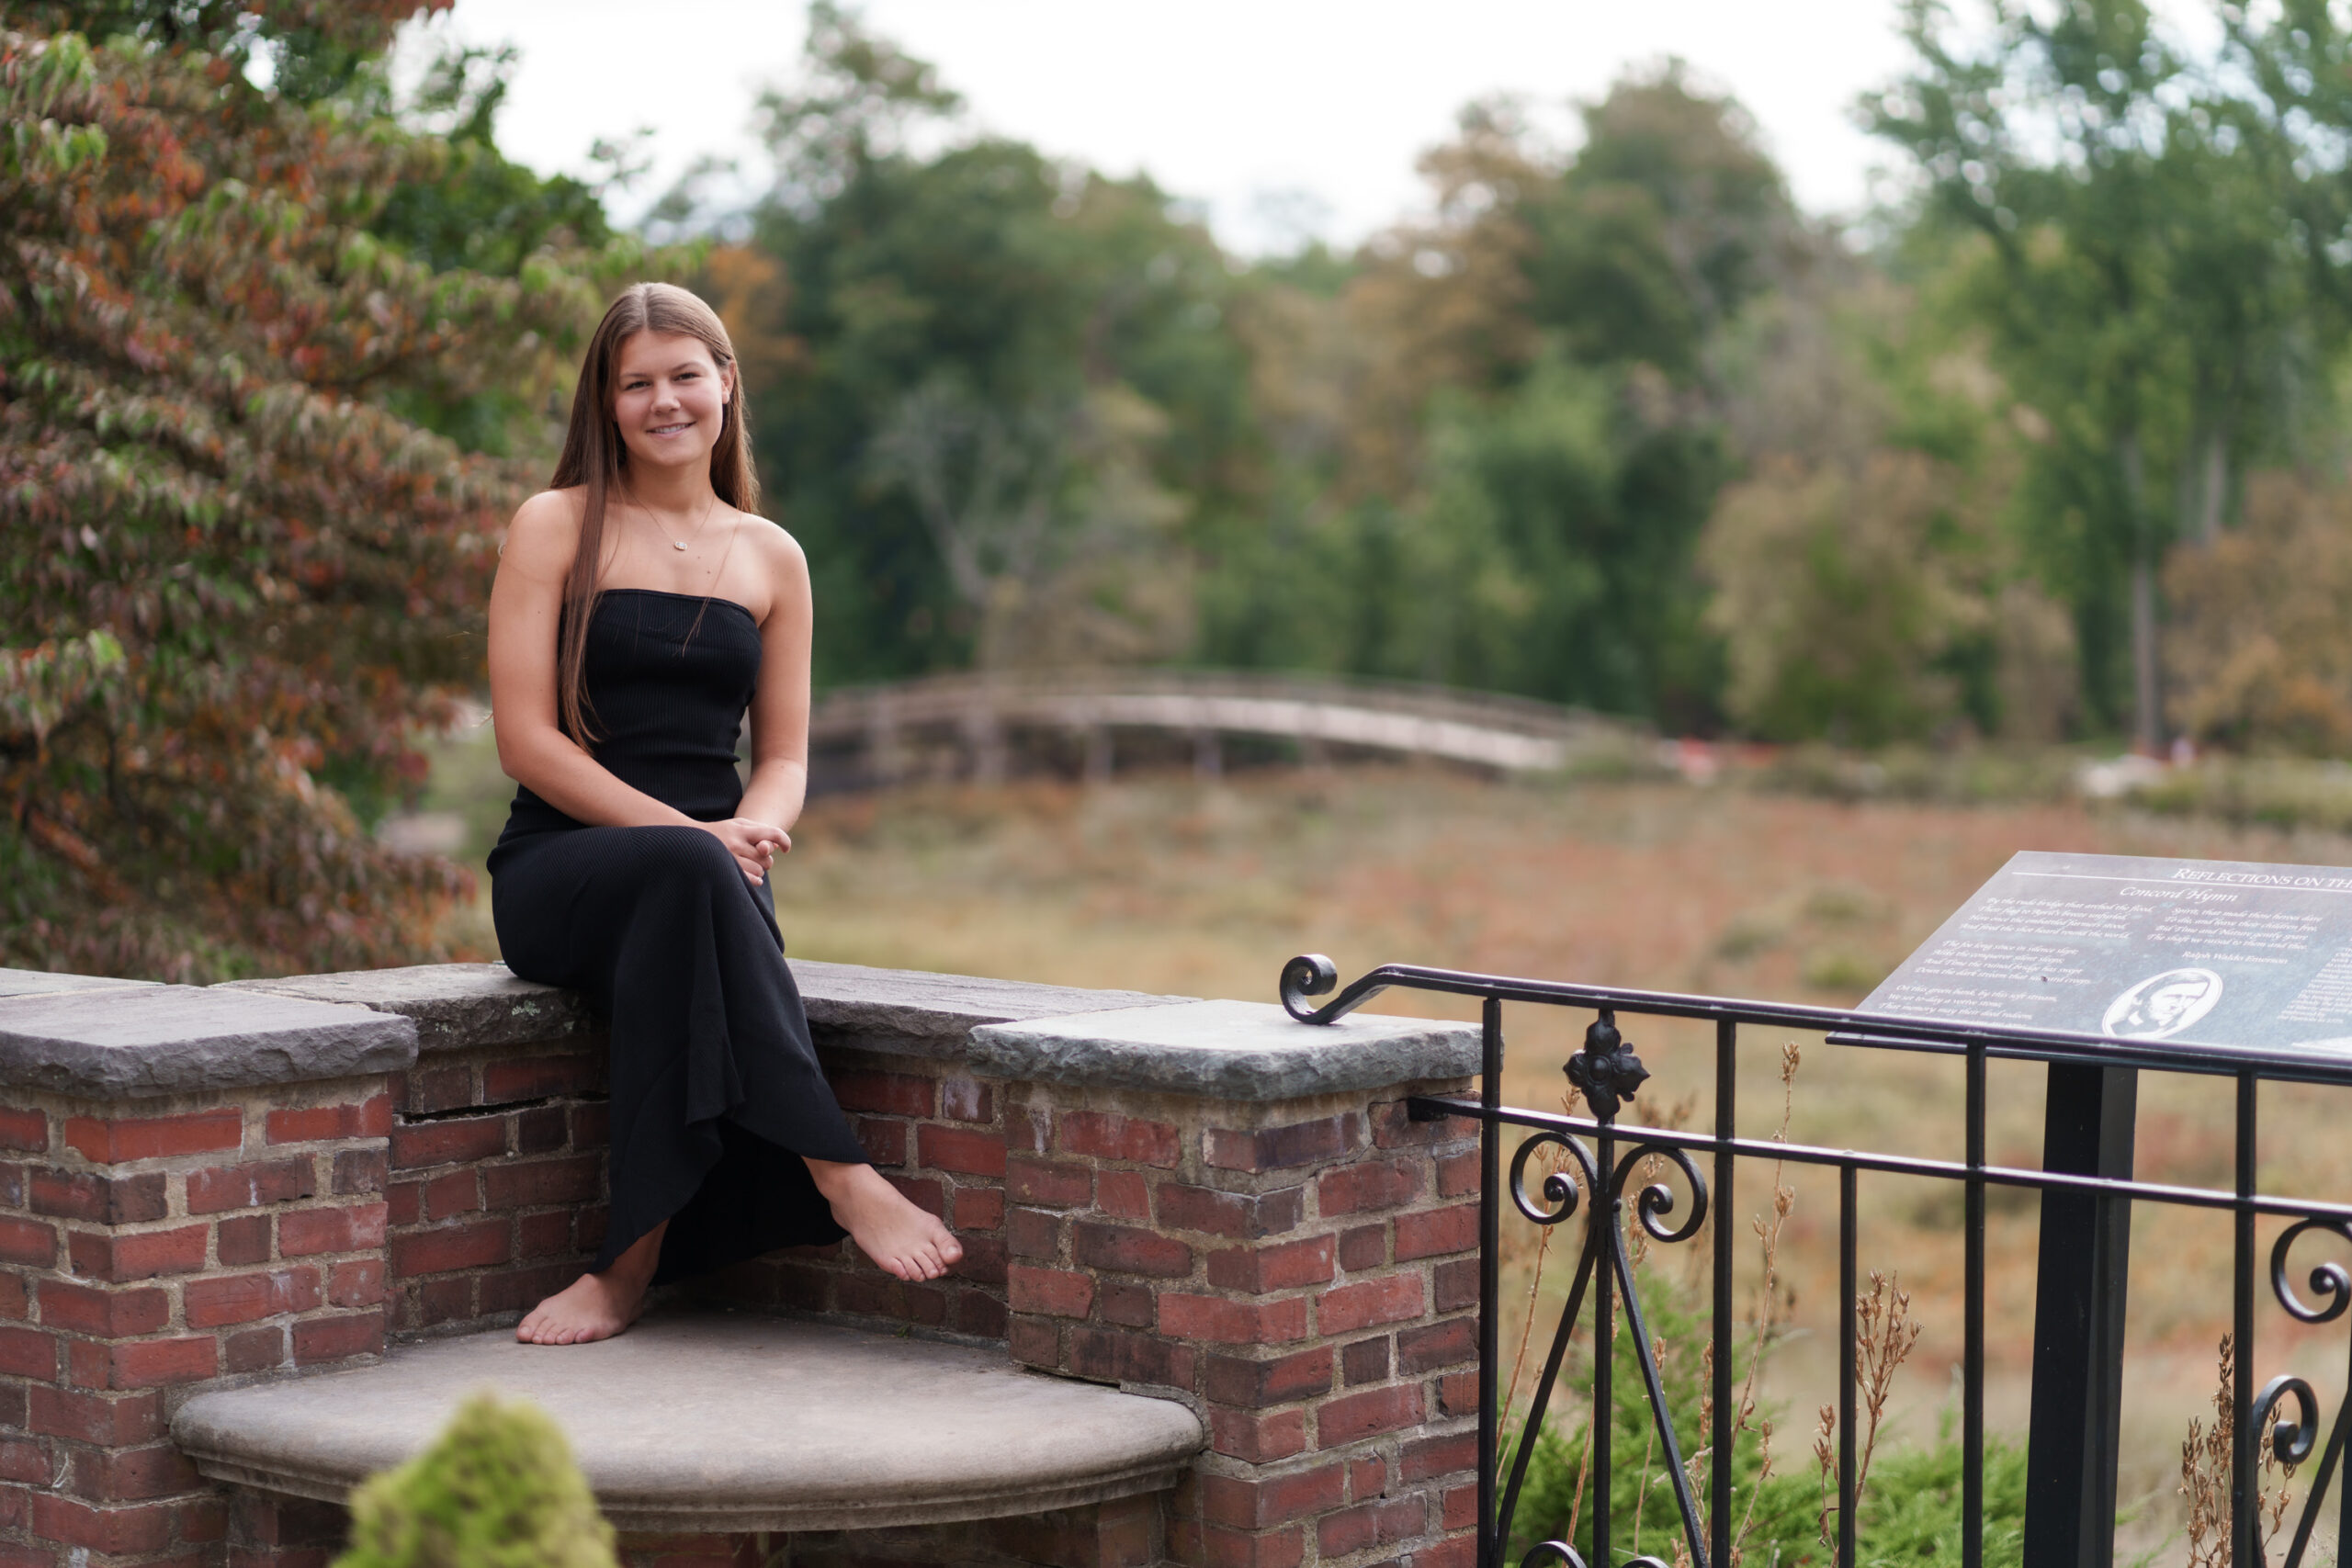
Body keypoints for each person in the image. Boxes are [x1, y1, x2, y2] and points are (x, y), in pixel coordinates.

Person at [484, 282, 961, 1346]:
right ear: (604, 404)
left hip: (715, 877)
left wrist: (752, 827)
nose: (665, 401)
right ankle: (840, 1173)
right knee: (684, 874)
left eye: (684, 375)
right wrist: (690, 834)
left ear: (726, 383)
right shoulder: (553, 524)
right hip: (565, 869)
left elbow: (783, 753)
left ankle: (625, 1273)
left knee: (692, 895)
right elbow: (527, 744)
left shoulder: (770, 553)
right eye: (636, 383)